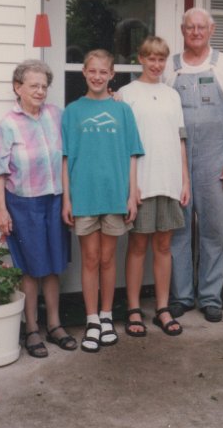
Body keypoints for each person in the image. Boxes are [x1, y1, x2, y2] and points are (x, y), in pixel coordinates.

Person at [0, 59, 76, 359]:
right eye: (33, 85)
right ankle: (32, 330)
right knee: (30, 268)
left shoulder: (56, 115)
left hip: (54, 199)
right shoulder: (6, 124)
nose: (40, 91)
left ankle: (55, 324)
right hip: (23, 203)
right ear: (18, 88)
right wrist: (1, 210)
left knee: (53, 265)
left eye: (44, 86)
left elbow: (67, 156)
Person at [163, 8, 223, 322]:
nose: (195, 32)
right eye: (190, 27)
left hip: (214, 158)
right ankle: (182, 296)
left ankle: (210, 297)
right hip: (178, 160)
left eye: (201, 27)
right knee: (178, 229)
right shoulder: (170, 67)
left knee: (211, 229)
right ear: (182, 30)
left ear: (212, 30)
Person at [61, 49, 144, 353]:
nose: (97, 76)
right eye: (92, 71)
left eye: (103, 72)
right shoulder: (72, 111)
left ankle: (108, 316)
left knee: (108, 259)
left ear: (112, 75)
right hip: (83, 197)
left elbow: (133, 154)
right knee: (90, 259)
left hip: (114, 197)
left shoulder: (123, 111)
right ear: (84, 72)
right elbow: (65, 158)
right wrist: (66, 199)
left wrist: (132, 195)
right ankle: (92, 319)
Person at [118, 37, 190, 338]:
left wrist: (185, 179)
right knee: (137, 246)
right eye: (151, 59)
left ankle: (162, 308)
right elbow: (122, 145)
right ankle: (133, 307)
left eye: (161, 59)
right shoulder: (126, 94)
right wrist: (129, 187)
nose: (156, 65)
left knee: (163, 246)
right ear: (140, 59)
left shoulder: (172, 95)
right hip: (142, 182)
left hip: (169, 180)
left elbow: (180, 139)